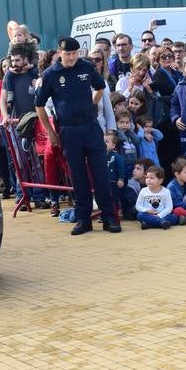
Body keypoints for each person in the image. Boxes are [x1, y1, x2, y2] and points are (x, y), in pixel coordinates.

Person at [34, 37, 120, 235]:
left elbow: (100, 87)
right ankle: (83, 220)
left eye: (74, 53)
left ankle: (109, 217)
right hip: (68, 130)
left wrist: (92, 103)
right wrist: (50, 131)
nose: (71, 57)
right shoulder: (50, 74)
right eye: (67, 54)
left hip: (90, 126)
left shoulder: (86, 67)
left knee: (100, 173)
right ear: (60, 53)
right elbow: (39, 104)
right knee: (78, 176)